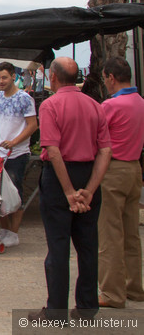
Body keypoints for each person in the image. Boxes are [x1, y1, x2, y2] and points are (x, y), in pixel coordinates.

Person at [31, 57, 111, 321]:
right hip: (89, 172)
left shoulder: (50, 105)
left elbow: (53, 151)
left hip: (59, 178)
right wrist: (89, 189)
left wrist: (68, 192)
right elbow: (105, 150)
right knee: (88, 245)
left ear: (52, 77)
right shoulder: (95, 105)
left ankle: (56, 311)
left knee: (58, 246)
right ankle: (87, 307)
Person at [97, 57, 144, 308]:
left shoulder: (110, 105)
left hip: (113, 169)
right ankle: (134, 286)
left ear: (111, 78)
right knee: (131, 232)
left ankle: (113, 293)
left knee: (110, 233)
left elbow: (97, 137)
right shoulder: (140, 102)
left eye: (105, 78)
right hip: (134, 168)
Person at [0, 61, 38, 247]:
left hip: (17, 154)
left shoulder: (25, 98)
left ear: (14, 76)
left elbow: (33, 125)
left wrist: (14, 142)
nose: (2, 81)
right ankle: (3, 231)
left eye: (5, 77)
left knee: (15, 194)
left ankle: (13, 233)